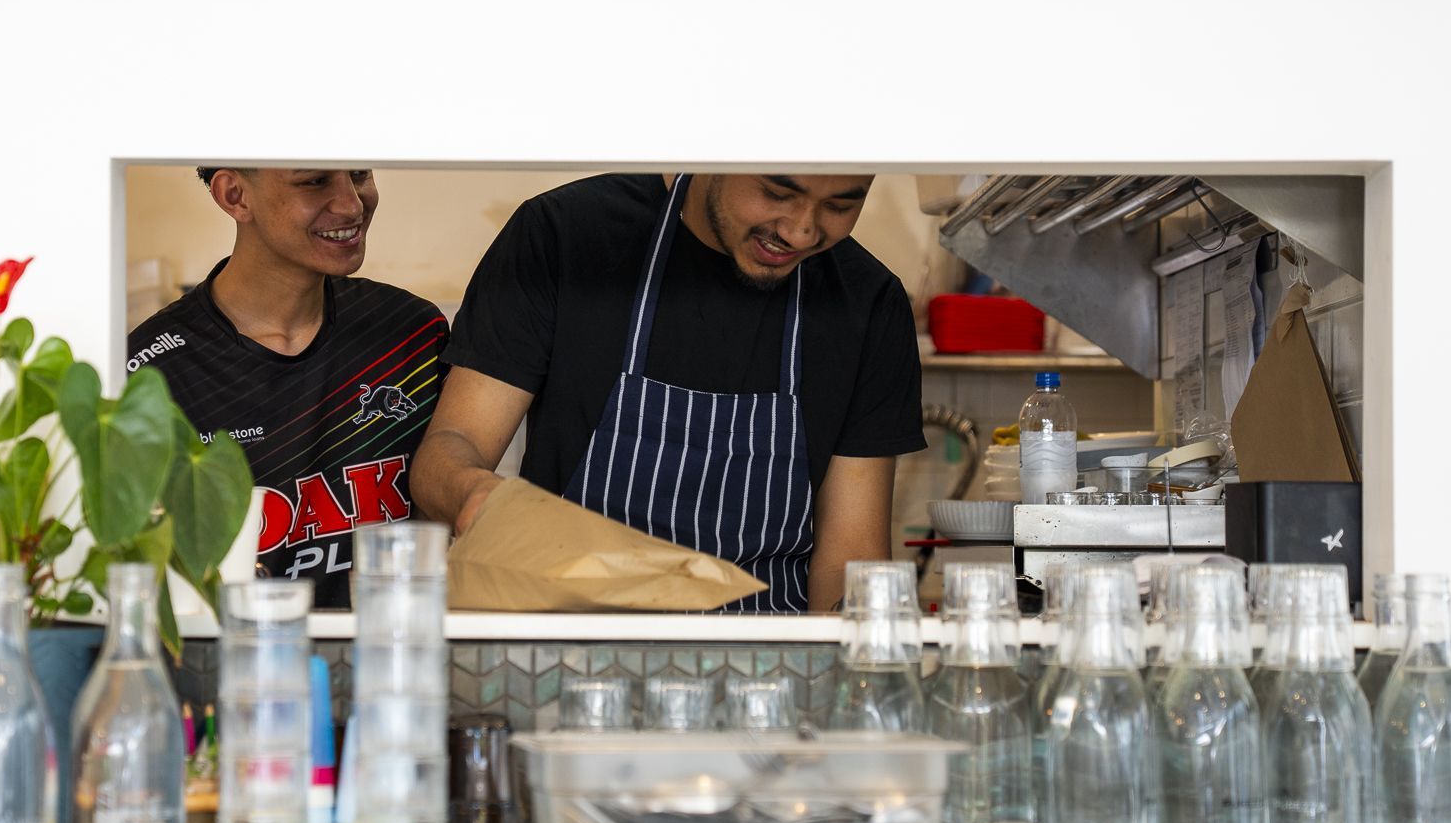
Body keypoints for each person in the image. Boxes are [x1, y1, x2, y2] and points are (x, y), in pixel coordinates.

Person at [411, 173, 923, 614]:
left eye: (841, 205)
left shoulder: (868, 302)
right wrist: (473, 494)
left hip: (770, 675)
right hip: (569, 659)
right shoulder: (566, 237)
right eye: (776, 193)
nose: (802, 230)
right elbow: (449, 449)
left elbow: (850, 556)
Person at [127, 167, 447, 609]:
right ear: (235, 194)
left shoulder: (410, 331)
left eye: (358, 174)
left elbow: (443, 531)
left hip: (388, 657)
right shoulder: (151, 372)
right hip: (234, 664)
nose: (351, 203)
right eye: (314, 181)